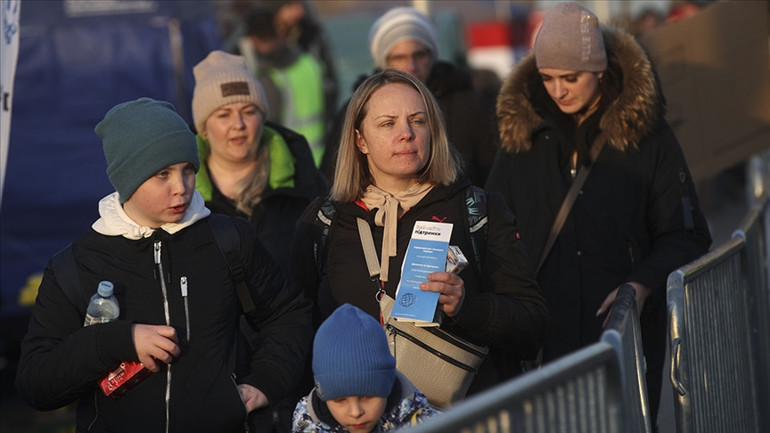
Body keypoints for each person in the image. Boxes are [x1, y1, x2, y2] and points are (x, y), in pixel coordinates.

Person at [15, 98, 314, 432]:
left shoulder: (228, 238)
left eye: (188, 170)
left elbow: (288, 313)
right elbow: (36, 383)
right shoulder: (76, 265)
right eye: (162, 174)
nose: (182, 188)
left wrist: (267, 381)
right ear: (127, 178)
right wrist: (115, 340)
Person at [484, 3, 712, 430]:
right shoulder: (522, 137)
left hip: (618, 335)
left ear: (601, 72)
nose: (558, 90)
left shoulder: (648, 136)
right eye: (548, 77)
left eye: (571, 78)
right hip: (542, 340)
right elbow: (492, 225)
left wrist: (641, 283)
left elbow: (687, 233)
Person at [290, 69, 550, 400]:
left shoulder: (479, 210)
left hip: (465, 417)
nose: (406, 134)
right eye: (387, 124)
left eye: (418, 121)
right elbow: (297, 334)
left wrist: (467, 307)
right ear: (360, 140)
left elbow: (534, 324)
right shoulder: (323, 222)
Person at [320, 7, 499, 188]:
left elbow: (495, 178)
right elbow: (331, 180)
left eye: (419, 55)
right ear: (383, 62)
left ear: (432, 55)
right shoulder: (357, 109)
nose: (411, 66)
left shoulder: (470, 106)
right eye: (399, 57)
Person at [192, 50, 328, 270]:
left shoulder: (303, 179)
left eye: (248, 111)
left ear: (262, 118)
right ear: (204, 128)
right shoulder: (183, 193)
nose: (238, 124)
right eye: (224, 115)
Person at [292, 303, 437, 433]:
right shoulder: (307, 425)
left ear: (387, 385)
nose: (356, 412)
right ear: (322, 395)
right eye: (340, 400)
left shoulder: (425, 423)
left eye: (367, 396)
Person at [241, 6, 328, 167]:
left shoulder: (270, 76)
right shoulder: (309, 62)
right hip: (320, 158)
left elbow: (267, 126)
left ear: (253, 40)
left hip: (288, 163)